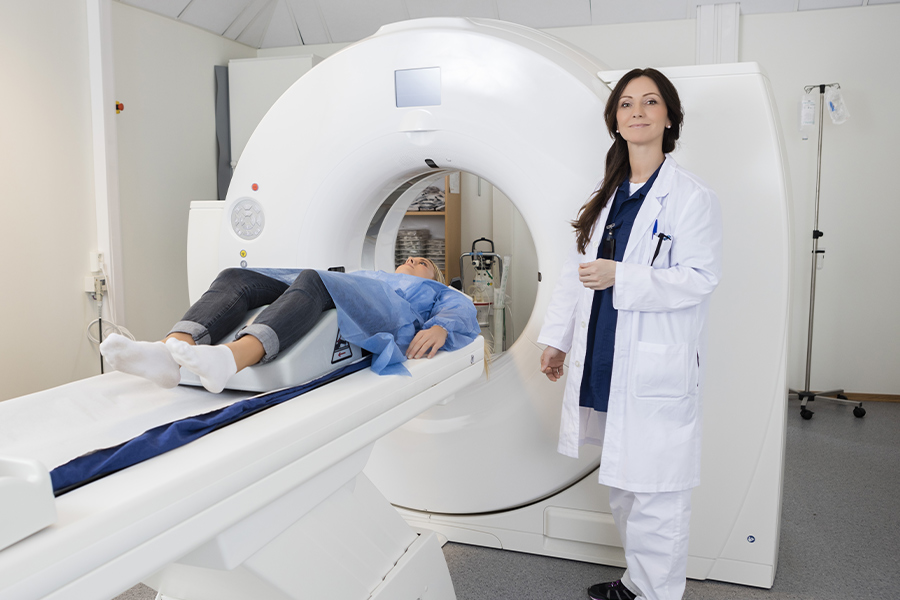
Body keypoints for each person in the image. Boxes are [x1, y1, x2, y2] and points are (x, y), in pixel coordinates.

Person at [538, 68, 723, 600]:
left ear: (669, 117)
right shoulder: (606, 196)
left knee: (657, 490)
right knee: (622, 480)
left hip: (652, 360)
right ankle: (639, 583)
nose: (637, 111)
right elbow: (577, 273)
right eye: (625, 104)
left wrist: (625, 275)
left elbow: (700, 279)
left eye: (650, 101)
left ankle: (657, 594)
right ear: (615, 121)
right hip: (604, 352)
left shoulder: (690, 196)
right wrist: (559, 339)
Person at [101, 257, 480, 393]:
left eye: (423, 263)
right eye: (409, 259)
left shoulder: (433, 292)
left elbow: (461, 312)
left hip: (389, 312)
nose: (414, 261)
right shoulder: (371, 272)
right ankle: (169, 350)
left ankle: (231, 358)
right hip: (352, 287)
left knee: (316, 278)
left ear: (437, 277)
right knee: (238, 276)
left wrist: (442, 327)